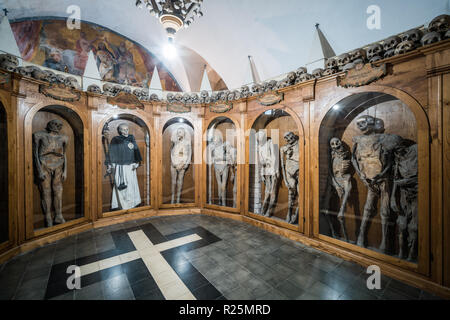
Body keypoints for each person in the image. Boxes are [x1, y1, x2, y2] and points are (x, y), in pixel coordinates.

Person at [107, 123, 142, 210]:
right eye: (123, 129)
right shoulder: (116, 139)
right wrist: (111, 165)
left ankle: (131, 204)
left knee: (131, 186)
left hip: (130, 167)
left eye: (127, 129)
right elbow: (112, 152)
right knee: (121, 187)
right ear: (120, 131)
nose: (126, 131)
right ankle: (122, 206)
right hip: (120, 167)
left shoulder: (131, 138)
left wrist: (137, 162)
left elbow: (136, 150)